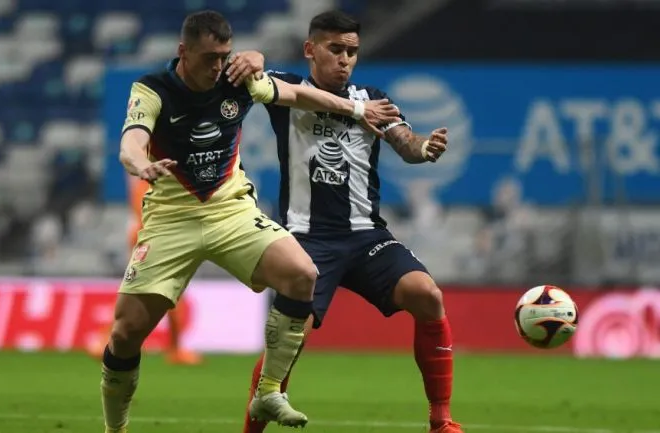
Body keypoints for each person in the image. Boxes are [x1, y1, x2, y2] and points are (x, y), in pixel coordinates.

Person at [100, 10, 402, 433]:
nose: (217, 67)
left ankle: (269, 392)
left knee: (301, 275)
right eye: (208, 58)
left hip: (231, 212)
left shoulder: (237, 80)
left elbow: (297, 95)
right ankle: (116, 429)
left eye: (223, 56)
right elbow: (131, 140)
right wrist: (138, 163)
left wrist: (355, 108)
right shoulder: (153, 89)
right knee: (126, 333)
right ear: (182, 52)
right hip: (172, 219)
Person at [232, 10, 464, 433]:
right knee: (290, 338)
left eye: (352, 52)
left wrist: (425, 147)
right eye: (335, 49)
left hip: (366, 236)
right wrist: (253, 53)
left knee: (427, 295)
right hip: (306, 238)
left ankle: (441, 421)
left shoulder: (373, 98)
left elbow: (405, 143)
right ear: (310, 49)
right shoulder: (290, 89)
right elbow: (258, 75)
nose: (344, 59)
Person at [86, 176, 202, 365]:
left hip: (152, 239)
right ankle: (106, 339)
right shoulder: (152, 182)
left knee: (157, 294)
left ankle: (173, 348)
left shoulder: (156, 179)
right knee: (154, 294)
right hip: (151, 241)